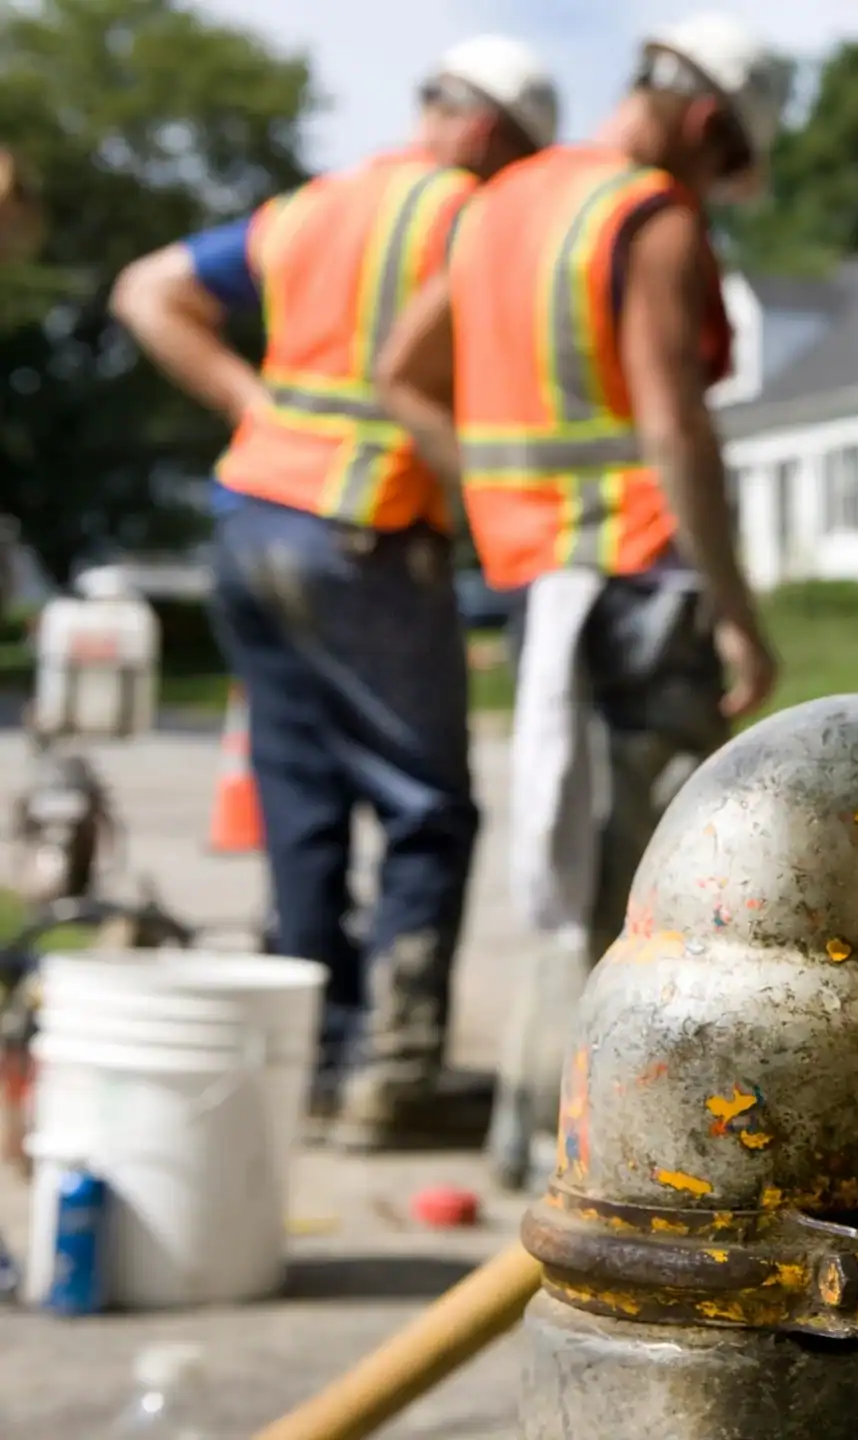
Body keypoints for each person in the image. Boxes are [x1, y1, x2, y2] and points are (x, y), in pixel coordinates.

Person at [110, 37, 561, 1150]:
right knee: (425, 809)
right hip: (363, 533)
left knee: (302, 806)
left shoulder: (312, 207)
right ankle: (392, 1078)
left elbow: (147, 290)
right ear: (498, 133)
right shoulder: (474, 217)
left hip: (251, 521)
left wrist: (250, 404)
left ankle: (314, 1062)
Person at [376, 12, 785, 1188]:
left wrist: (502, 494)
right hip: (644, 581)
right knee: (665, 881)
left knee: (564, 877)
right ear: (707, 124)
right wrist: (740, 609)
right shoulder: (646, 213)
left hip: (541, 582)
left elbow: (405, 380)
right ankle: (630, 1160)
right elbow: (674, 422)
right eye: (722, 164)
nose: (711, 188)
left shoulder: (500, 204)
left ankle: (535, 1140)